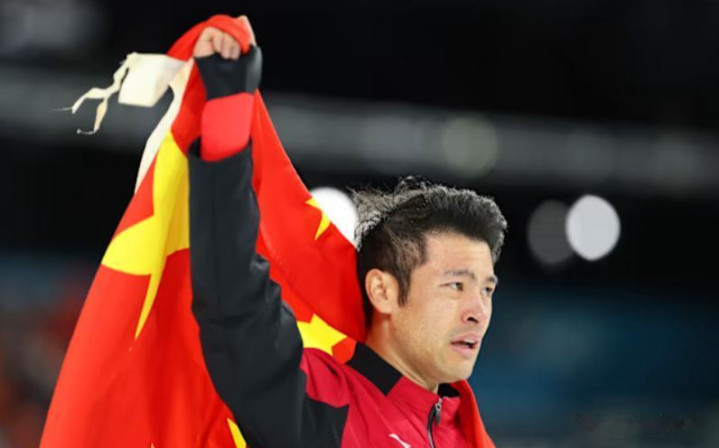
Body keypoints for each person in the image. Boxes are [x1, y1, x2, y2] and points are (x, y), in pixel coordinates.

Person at [189, 16, 507, 448]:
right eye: (456, 285)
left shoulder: (466, 434)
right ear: (383, 291)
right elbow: (234, 304)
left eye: (486, 290)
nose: (478, 311)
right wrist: (227, 105)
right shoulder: (318, 403)